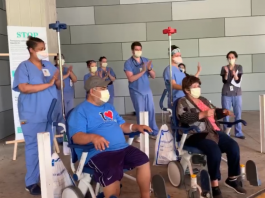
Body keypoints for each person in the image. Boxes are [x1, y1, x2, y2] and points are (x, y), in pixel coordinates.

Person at [68, 76, 152, 198]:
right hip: (99, 152)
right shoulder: (80, 111)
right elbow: (77, 137)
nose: (106, 91)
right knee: (111, 170)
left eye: (106, 88)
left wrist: (135, 126)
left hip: (122, 148)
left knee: (143, 159)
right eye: (103, 88)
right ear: (92, 91)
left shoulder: (109, 107)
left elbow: (122, 125)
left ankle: (146, 196)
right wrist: (93, 137)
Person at [177, 75, 246, 198]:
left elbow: (214, 113)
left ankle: (232, 178)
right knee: (214, 151)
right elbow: (184, 118)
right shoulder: (182, 102)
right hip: (196, 133)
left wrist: (223, 112)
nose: (198, 88)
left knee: (233, 146)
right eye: (195, 86)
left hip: (213, 131)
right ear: (187, 90)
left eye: (198, 86)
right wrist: (202, 114)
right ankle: (214, 185)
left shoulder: (203, 100)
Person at [13, 36, 63, 195]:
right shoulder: (24, 67)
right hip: (32, 113)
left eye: (44, 48)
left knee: (47, 147)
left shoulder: (47, 64)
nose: (44, 51)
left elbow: (58, 84)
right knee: (34, 147)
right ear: (31, 50)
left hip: (48, 113)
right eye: (41, 49)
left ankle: (47, 177)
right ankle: (31, 182)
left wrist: (58, 78)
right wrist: (48, 84)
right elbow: (24, 87)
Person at [124, 41, 158, 142]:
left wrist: (149, 68)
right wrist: (143, 71)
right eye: (136, 50)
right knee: (141, 112)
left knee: (151, 111)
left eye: (140, 49)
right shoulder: (128, 63)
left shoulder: (145, 60)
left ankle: (153, 132)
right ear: (132, 51)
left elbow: (153, 76)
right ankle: (141, 132)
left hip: (147, 90)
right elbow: (131, 78)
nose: (138, 51)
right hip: (136, 91)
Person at [220, 51, 244, 139]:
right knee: (226, 113)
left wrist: (234, 75)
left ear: (235, 58)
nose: (231, 59)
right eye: (229, 57)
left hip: (237, 93)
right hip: (226, 93)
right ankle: (226, 132)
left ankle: (238, 132)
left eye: (232, 57)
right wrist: (226, 73)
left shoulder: (239, 67)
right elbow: (224, 81)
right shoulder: (224, 68)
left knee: (238, 113)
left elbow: (238, 81)